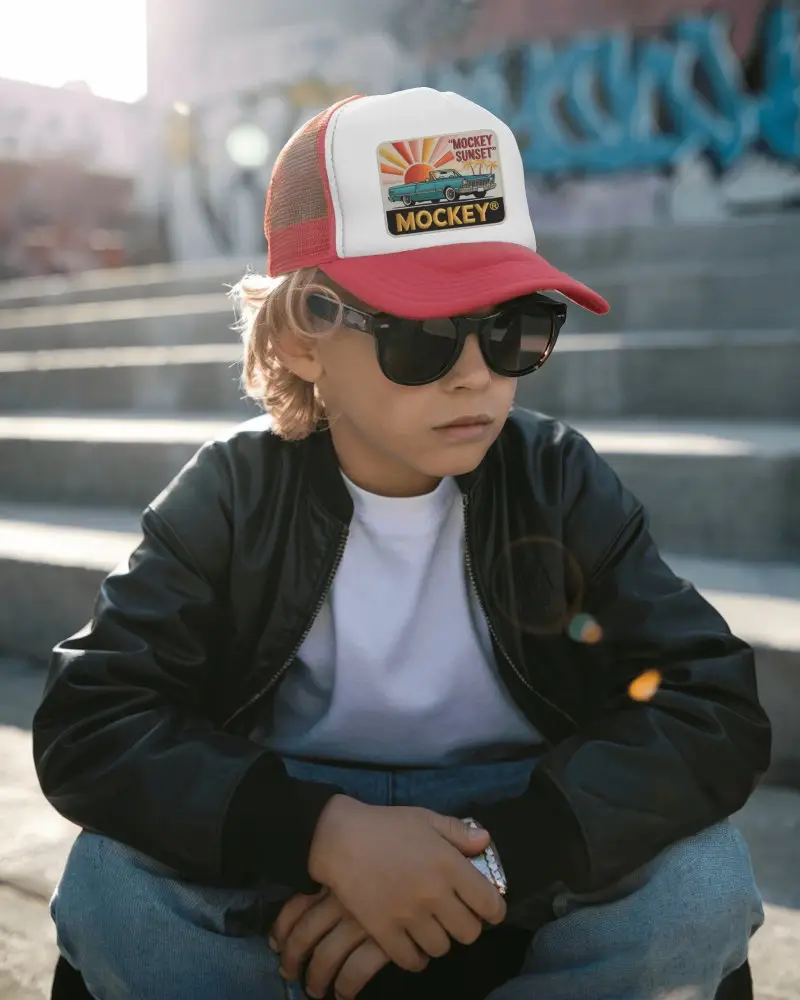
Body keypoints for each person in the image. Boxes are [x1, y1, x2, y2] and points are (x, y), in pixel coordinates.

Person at [33, 88, 769, 1000]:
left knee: (701, 878)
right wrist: (324, 840)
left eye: (513, 328)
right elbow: (92, 719)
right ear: (306, 336)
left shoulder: (557, 477)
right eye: (423, 337)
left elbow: (707, 702)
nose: (474, 376)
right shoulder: (230, 493)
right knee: (115, 888)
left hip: (516, 829)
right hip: (291, 833)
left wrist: (495, 862)